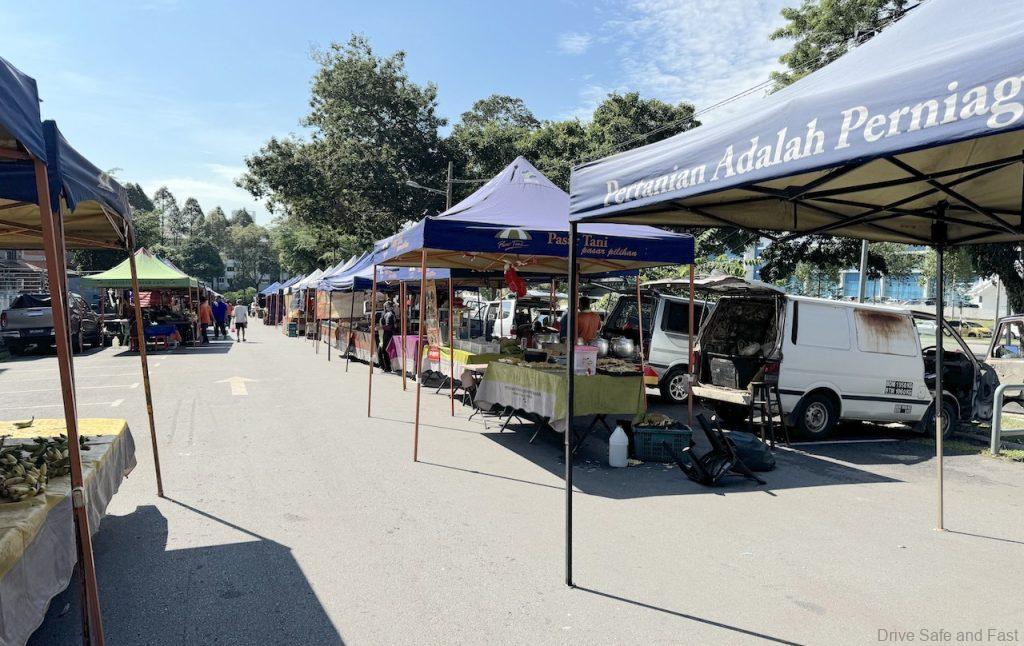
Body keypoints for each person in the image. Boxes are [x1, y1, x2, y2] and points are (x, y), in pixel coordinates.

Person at [378, 300, 397, 372]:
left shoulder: (391, 315)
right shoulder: (386, 314)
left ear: (391, 307)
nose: (386, 308)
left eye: (387, 306)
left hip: (388, 334)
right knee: (381, 351)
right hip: (384, 334)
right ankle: (384, 366)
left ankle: (387, 367)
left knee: (384, 350)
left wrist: (380, 327)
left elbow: (390, 326)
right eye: (385, 307)